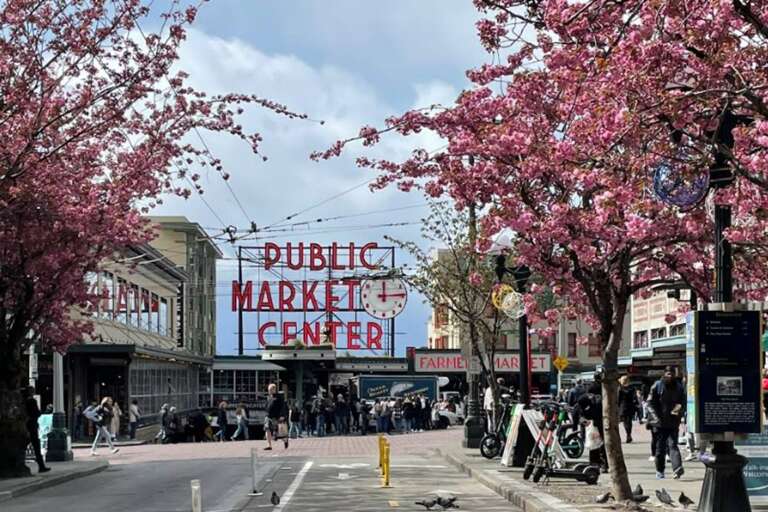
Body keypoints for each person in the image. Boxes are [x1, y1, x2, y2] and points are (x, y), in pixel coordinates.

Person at [647, 366, 685, 479]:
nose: (670, 376)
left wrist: (675, 415)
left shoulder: (678, 387)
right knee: (660, 448)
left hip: (672, 422)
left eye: (672, 374)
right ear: (664, 374)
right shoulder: (657, 385)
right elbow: (650, 403)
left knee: (673, 445)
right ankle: (660, 470)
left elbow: (680, 402)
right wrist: (655, 418)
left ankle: (677, 468)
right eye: (668, 374)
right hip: (659, 423)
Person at [23, 386, 50, 473]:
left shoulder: (22, 401)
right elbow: (36, 413)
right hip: (32, 425)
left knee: (24, 445)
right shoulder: (32, 401)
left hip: (25, 425)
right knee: (36, 446)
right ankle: (41, 466)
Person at [265, 383, 288, 450]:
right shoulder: (269, 397)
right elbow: (267, 405)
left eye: (270, 389)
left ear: (274, 389)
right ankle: (269, 445)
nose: (269, 391)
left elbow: (282, 407)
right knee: (267, 429)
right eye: (268, 390)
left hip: (276, 416)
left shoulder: (279, 397)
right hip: (268, 416)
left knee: (279, 433)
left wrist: (282, 415)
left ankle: (285, 440)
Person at [617, 376, 636, 443]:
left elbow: (618, 400)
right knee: (629, 422)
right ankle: (629, 435)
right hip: (630, 407)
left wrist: (617, 408)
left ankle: (628, 435)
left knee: (625, 422)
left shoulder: (620, 389)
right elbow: (634, 398)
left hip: (623, 407)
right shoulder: (632, 388)